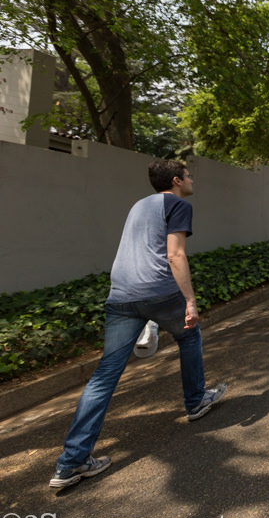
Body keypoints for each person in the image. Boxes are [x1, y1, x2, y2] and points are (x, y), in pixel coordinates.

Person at [49, 160, 227, 490]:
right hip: (158, 291)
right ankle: (196, 401)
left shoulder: (138, 206)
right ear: (176, 180)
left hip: (121, 294)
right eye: (188, 175)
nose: (192, 180)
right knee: (189, 336)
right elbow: (174, 255)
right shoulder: (178, 204)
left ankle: (70, 463)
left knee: (105, 375)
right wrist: (189, 300)